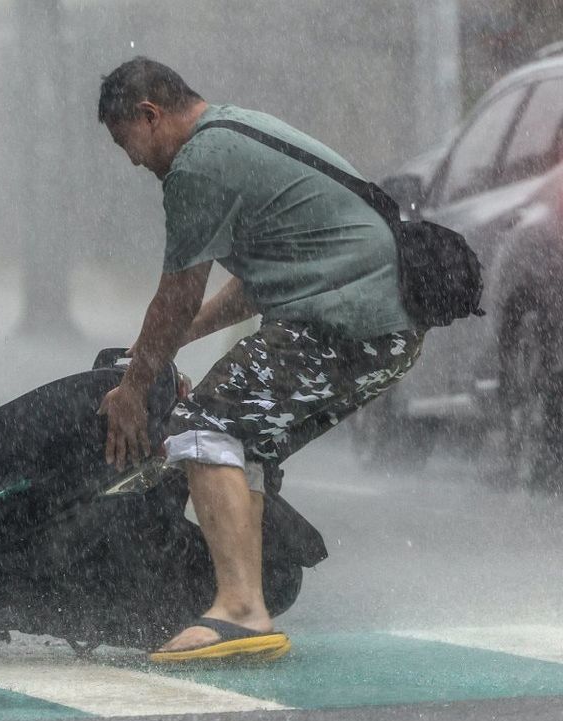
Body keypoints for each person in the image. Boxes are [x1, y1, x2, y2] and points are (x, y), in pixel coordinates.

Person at [94, 58, 423, 664]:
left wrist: (136, 385)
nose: (133, 160)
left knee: (204, 424)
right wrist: (165, 347)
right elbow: (254, 284)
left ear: (149, 115)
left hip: (348, 321)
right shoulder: (236, 132)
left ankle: (241, 610)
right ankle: (251, 597)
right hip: (387, 328)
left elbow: (179, 291)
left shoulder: (198, 164)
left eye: (126, 142)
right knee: (245, 436)